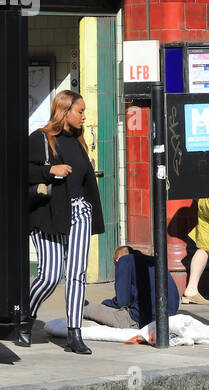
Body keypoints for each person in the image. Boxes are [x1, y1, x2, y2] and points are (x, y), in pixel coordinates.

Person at [17, 90, 105, 354]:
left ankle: (74, 334)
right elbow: (20, 171)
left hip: (80, 213)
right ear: (64, 111)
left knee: (77, 274)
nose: (84, 116)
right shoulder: (41, 138)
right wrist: (49, 171)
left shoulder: (79, 141)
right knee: (50, 275)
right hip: (50, 216)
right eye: (80, 111)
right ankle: (25, 317)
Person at [82, 245, 179, 330]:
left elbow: (122, 302)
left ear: (116, 260)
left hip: (139, 321)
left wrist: (106, 303)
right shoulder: (154, 260)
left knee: (87, 307)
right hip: (168, 318)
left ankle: (77, 308)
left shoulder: (124, 261)